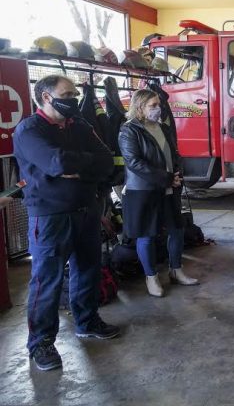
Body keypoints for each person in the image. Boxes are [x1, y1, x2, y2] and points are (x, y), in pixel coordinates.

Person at [13, 75, 120, 372]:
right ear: (46, 97)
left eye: (74, 93)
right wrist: (79, 166)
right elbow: (57, 163)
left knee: (88, 270)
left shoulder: (80, 126)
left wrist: (78, 169)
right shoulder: (29, 130)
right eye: (68, 93)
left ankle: (87, 321)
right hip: (50, 217)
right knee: (47, 280)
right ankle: (41, 344)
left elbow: (107, 161)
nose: (73, 98)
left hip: (87, 208)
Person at [118, 89, 199, 298]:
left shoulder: (162, 127)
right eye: (152, 105)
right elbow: (134, 162)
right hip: (143, 190)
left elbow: (174, 153)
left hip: (169, 187)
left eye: (158, 105)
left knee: (177, 230)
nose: (158, 109)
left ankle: (176, 269)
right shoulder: (129, 130)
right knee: (147, 235)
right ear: (139, 107)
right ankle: (151, 277)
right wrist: (166, 178)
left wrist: (178, 173)